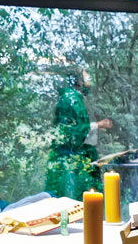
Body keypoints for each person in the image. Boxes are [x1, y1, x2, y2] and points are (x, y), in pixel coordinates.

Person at [44, 66, 111, 199]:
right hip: (70, 159)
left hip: (73, 159)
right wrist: (97, 125)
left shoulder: (74, 98)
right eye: (86, 75)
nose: (89, 78)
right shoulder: (71, 99)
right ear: (78, 80)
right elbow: (72, 133)